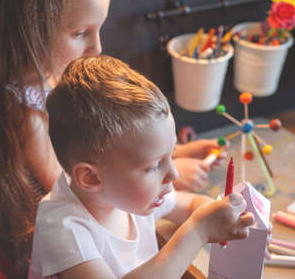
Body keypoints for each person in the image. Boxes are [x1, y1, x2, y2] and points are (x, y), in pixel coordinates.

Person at [0, 0, 224, 273]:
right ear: (30, 29)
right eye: (81, 33)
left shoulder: (54, 77)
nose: (97, 47)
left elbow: (108, 156)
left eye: (99, 28)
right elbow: (77, 178)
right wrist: (166, 180)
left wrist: (171, 153)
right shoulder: (26, 113)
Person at [29, 55, 254, 278]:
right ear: (91, 178)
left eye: (171, 154)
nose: (173, 174)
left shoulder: (128, 194)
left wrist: (228, 218)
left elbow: (192, 205)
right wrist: (198, 231)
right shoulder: (63, 227)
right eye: (155, 165)